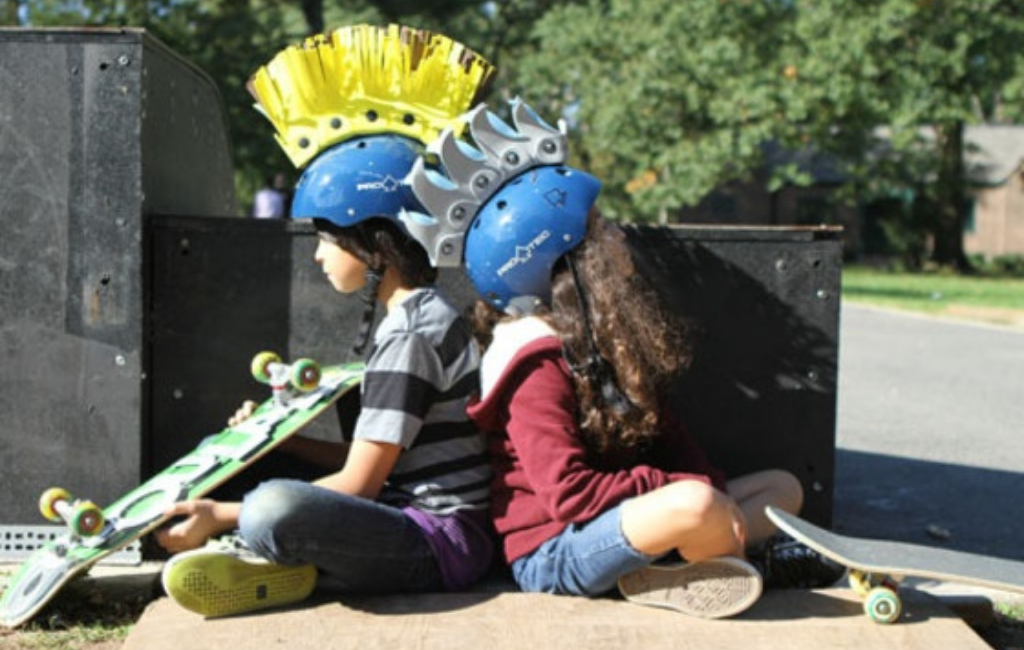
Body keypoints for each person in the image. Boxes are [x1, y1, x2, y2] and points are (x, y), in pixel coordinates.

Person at [403, 99, 844, 619]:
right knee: (699, 507)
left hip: (629, 521)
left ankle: (684, 567)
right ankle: (760, 567)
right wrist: (684, 492)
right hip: (556, 550)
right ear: (564, 263)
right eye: (600, 230)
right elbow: (568, 495)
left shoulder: (601, 336)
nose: (618, 236)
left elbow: (666, 434)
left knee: (781, 489)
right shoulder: (533, 364)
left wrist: (699, 479)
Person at [155, 24, 497, 618]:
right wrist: (275, 441)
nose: (317, 256)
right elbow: (362, 463)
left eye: (326, 238)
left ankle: (261, 548)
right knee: (266, 472)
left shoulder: (413, 332)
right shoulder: (415, 316)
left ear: (374, 241)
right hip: (405, 516)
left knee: (270, 508)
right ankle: (278, 560)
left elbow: (361, 485)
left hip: (438, 545)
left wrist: (220, 515)